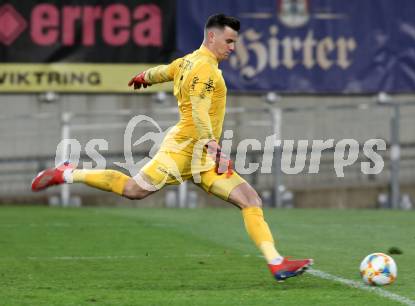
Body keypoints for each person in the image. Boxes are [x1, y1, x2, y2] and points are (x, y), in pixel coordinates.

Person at [31, 13, 313, 281]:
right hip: (182, 150)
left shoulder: (188, 62)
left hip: (201, 156)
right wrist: (215, 148)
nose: (233, 47)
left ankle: (276, 263)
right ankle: (67, 173)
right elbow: (200, 112)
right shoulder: (204, 69)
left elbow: (163, 72)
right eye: (229, 41)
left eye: (235, 42)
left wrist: (144, 76)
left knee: (250, 200)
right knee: (133, 190)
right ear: (212, 37)